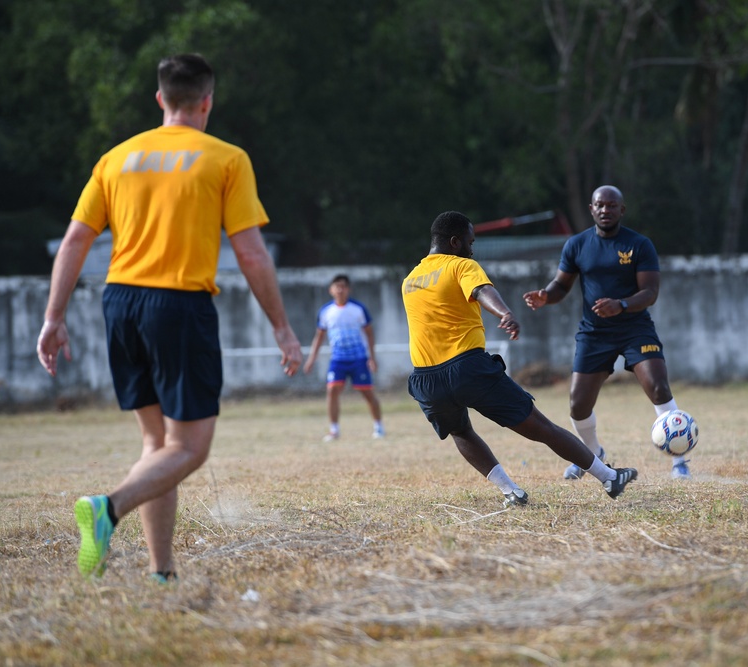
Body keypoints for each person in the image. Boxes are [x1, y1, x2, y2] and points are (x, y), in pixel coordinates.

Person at [36, 54, 302, 582]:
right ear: (207, 101)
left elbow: (75, 241)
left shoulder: (117, 158)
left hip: (120, 303)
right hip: (177, 306)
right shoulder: (225, 158)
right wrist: (281, 326)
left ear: (160, 99)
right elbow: (250, 253)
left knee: (159, 447)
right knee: (190, 449)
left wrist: (53, 317)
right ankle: (106, 508)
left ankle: (162, 573)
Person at [402, 210, 638, 507]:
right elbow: (482, 290)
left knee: (459, 431)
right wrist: (505, 313)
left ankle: (510, 491)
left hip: (425, 379)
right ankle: (609, 478)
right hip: (467, 368)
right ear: (454, 242)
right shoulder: (461, 265)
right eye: (470, 241)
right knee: (542, 428)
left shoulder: (410, 280)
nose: (472, 248)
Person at [523, 185, 693, 480]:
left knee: (658, 387)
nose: (605, 210)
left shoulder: (639, 245)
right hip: (594, 333)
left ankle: (680, 463)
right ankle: (592, 456)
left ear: (621, 210)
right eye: (600, 205)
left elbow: (650, 292)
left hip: (635, 328)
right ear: (591, 209)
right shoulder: (577, 245)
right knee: (578, 405)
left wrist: (622, 305)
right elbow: (561, 285)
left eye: (612, 206)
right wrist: (546, 296)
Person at [303, 274, 384, 440]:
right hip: (338, 359)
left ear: (348, 289)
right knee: (332, 390)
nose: (340, 290)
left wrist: (372, 357)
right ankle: (334, 430)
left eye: (343, 286)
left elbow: (369, 334)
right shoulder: (326, 312)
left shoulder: (358, 309)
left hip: (359, 358)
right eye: (337, 286)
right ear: (331, 290)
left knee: (367, 392)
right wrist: (311, 359)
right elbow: (319, 337)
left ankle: (378, 426)